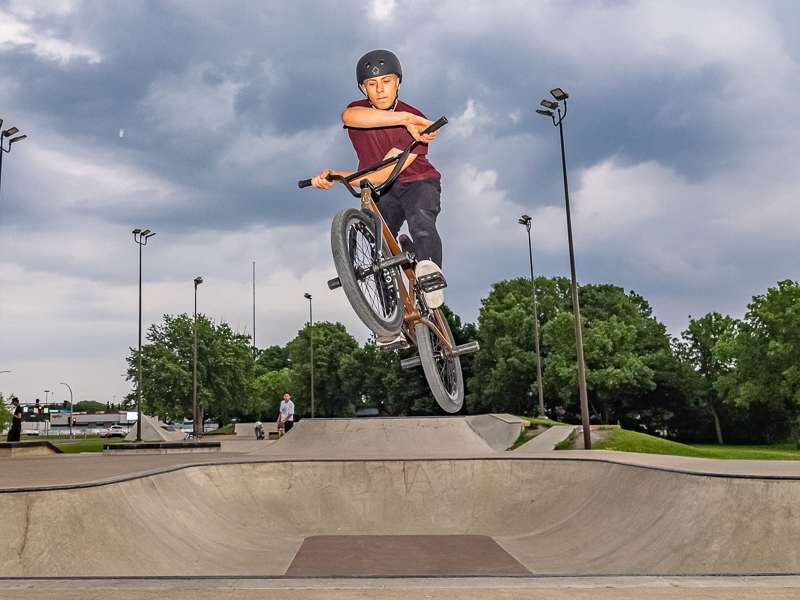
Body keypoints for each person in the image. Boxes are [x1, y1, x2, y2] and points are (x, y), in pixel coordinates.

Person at [311, 49, 445, 349]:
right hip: (382, 191)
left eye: (386, 81)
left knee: (421, 220)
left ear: (398, 83)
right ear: (363, 89)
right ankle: (390, 321)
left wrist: (337, 175)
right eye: (372, 84)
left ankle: (429, 272)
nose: (380, 89)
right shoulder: (363, 113)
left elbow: (386, 171)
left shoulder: (417, 120)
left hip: (417, 181)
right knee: (376, 250)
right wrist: (332, 176)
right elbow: (349, 117)